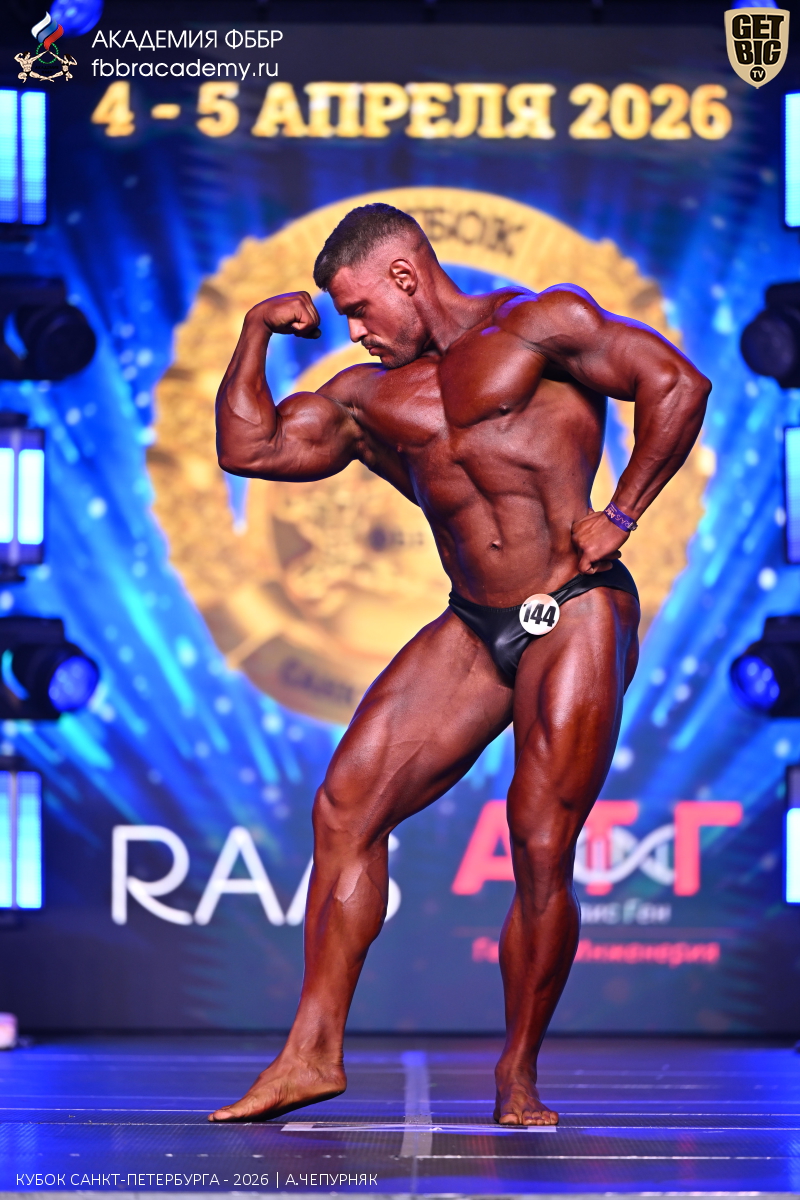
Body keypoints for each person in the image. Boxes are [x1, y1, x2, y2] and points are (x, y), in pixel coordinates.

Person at [210, 203, 709, 1126]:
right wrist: (254, 333)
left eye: (360, 308)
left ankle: (517, 1075)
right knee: (346, 805)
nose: (354, 331)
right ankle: (311, 1054)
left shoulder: (542, 324)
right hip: (476, 623)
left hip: (575, 604)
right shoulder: (366, 399)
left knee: (540, 843)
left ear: (405, 276)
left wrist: (624, 511)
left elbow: (676, 383)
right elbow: (251, 447)